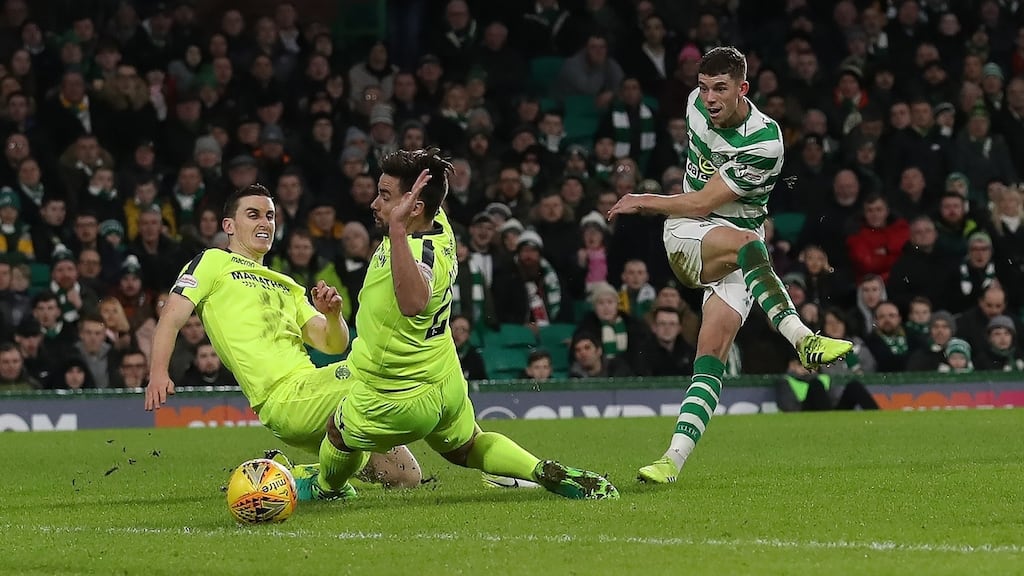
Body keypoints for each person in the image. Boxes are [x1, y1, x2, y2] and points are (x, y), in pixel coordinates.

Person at [296, 148, 618, 501]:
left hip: (396, 394)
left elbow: (415, 301)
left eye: (385, 196)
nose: (374, 203)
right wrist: (425, 165)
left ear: (413, 208)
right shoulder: (441, 225)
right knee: (468, 446)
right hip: (444, 378)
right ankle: (538, 470)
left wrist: (399, 229)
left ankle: (327, 489)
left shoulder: (415, 252)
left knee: (338, 433)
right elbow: (435, 192)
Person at [607, 46, 853, 484]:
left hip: (735, 241)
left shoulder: (765, 142)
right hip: (686, 232)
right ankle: (803, 339)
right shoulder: (694, 108)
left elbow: (708, 198)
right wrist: (654, 204)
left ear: (743, 89)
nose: (709, 99)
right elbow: (697, 207)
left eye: (720, 89)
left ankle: (671, 460)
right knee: (745, 242)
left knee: (712, 356)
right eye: (703, 88)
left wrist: (642, 199)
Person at [143, 184, 422, 489]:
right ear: (229, 226)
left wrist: (333, 315)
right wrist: (158, 372)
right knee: (373, 372)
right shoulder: (213, 262)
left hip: (313, 395)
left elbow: (333, 344)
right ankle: (460, 435)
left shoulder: (286, 284)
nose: (265, 223)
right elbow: (171, 317)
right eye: (253, 215)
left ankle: (295, 478)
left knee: (405, 475)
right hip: (284, 398)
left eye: (270, 216)